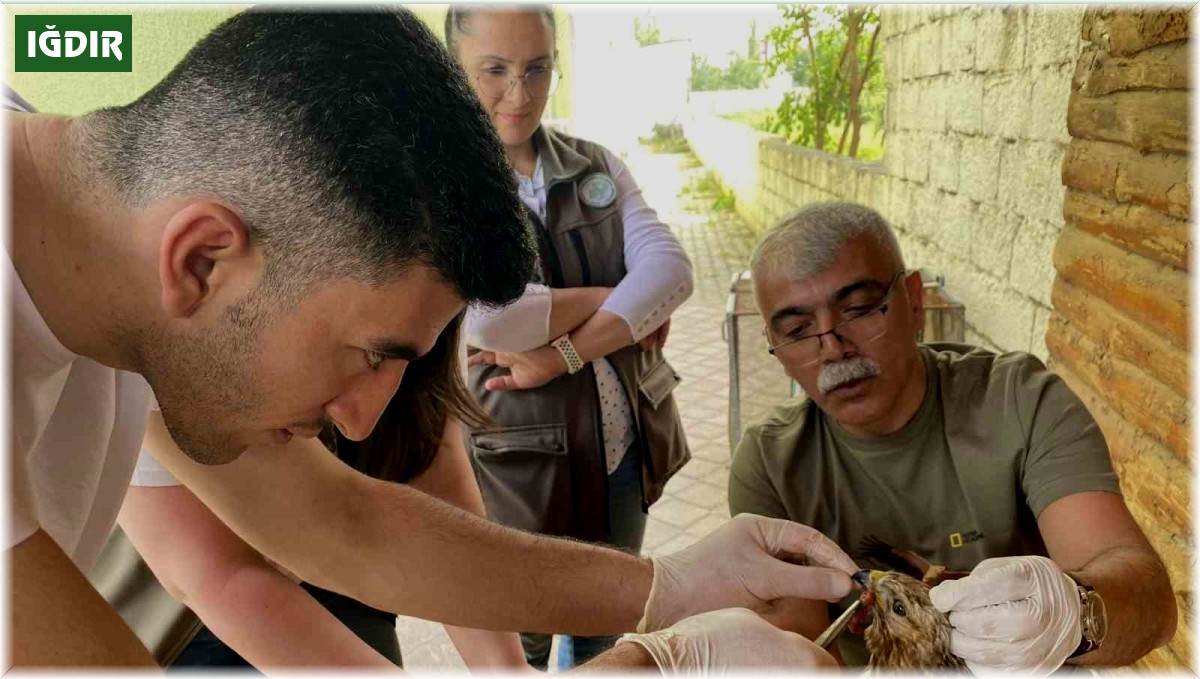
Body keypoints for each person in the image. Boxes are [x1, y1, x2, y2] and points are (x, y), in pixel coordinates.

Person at [8, 8, 857, 671]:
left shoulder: (103, 250)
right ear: (202, 259)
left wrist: (672, 586)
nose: (364, 422)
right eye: (372, 353)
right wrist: (651, 662)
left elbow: (344, 521)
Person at [728, 202, 1176, 673]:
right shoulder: (770, 465)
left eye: (858, 310)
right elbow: (805, 657)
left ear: (914, 300)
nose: (833, 348)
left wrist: (1077, 612)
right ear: (776, 349)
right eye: (798, 331)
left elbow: (1150, 601)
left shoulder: (1019, 401)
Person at [445, 5, 692, 669]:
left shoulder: (594, 168)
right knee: (515, 639)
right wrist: (623, 301)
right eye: (494, 70)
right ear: (455, 70)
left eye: (537, 68)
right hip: (511, 462)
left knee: (605, 630)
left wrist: (561, 353)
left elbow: (672, 270)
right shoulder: (442, 191)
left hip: (620, 452)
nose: (518, 94)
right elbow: (489, 316)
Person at [118, 316, 529, 670]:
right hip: (184, 621)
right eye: (370, 356)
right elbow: (216, 574)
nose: (361, 424)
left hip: (343, 582)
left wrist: (506, 666)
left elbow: (430, 467)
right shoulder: (167, 338)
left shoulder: (433, 309)